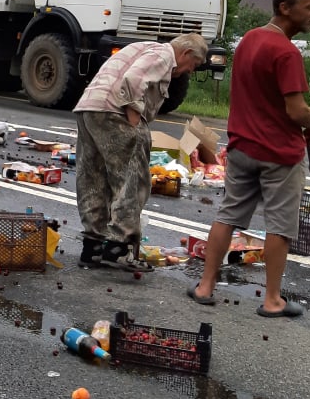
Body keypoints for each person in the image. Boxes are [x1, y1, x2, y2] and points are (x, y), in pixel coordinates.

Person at [190, 0, 310, 316]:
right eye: (309, 7)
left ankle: (205, 286)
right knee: (279, 226)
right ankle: (272, 300)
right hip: (279, 153)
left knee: (228, 215)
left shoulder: (249, 39)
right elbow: (295, 111)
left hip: (242, 147)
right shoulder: (287, 52)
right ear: (285, 8)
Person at [73, 32, 209, 270]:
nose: (190, 71)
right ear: (186, 53)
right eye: (193, 64)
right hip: (115, 112)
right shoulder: (164, 55)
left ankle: (92, 247)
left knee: (92, 177)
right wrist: (134, 119)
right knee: (131, 179)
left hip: (90, 107)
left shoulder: (144, 47)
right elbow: (134, 78)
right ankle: (118, 247)